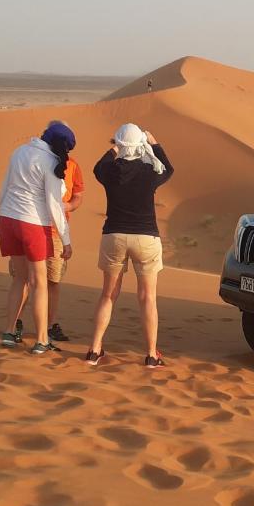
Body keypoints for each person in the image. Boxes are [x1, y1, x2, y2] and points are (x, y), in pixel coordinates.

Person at [87, 123, 173, 367]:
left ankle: (94, 350)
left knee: (108, 295)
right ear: (140, 146)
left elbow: (97, 167)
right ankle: (151, 355)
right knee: (148, 297)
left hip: (114, 236)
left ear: (120, 145)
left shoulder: (110, 172)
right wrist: (154, 143)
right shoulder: (150, 171)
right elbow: (169, 168)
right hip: (146, 238)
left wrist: (115, 147)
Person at [0, 122, 74, 355]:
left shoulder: (19, 151)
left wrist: (0, 218)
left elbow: (5, 186)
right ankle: (42, 339)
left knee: (19, 279)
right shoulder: (50, 162)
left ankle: (9, 332)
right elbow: (54, 204)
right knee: (39, 282)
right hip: (32, 224)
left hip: (8, 219)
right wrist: (66, 239)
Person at [10, 127, 85, 344]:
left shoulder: (72, 166)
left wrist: (67, 207)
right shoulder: (34, 159)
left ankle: (50, 326)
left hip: (55, 232)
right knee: (23, 279)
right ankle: (15, 324)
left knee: (53, 280)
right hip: (31, 226)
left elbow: (78, 196)